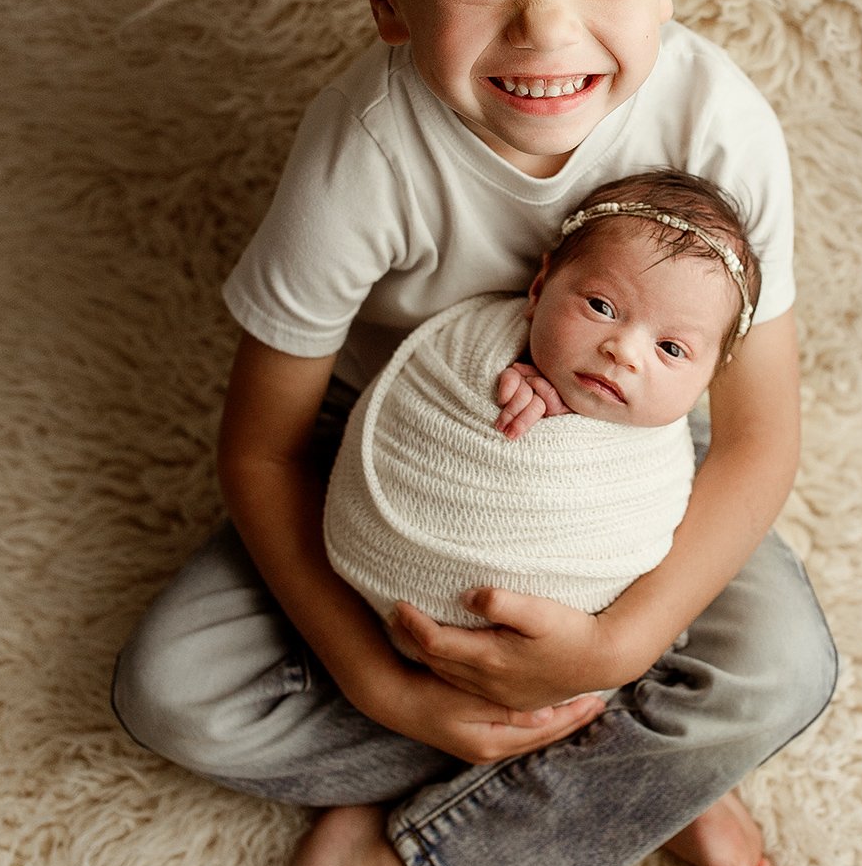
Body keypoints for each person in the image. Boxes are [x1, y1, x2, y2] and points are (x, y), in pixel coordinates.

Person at [108, 0, 836, 866]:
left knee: (779, 671)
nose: (547, 30)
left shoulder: (716, 124)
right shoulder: (365, 150)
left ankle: (390, 859)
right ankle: (635, 776)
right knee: (173, 689)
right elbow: (263, 449)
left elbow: (755, 441)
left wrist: (619, 642)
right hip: (381, 467)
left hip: (621, 489)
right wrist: (389, 685)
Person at [326, 170, 761, 672]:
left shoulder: (661, 451)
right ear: (539, 287)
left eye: (670, 348)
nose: (623, 352)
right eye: (601, 306)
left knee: (766, 668)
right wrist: (499, 380)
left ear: (711, 374)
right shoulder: (484, 359)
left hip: (586, 649)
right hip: (376, 606)